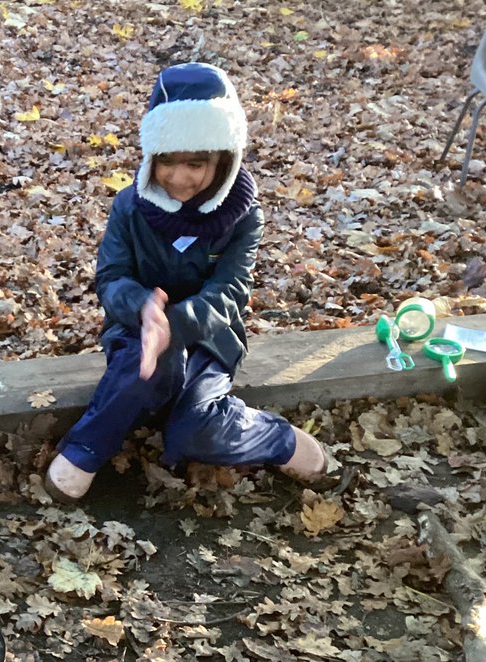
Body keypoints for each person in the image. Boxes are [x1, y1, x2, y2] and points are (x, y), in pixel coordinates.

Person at [45, 61, 327, 502]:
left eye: (196, 163)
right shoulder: (130, 207)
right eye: (166, 162)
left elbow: (230, 291)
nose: (179, 178)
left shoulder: (242, 216)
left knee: (196, 431)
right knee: (141, 373)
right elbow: (111, 277)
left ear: (224, 159)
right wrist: (143, 307)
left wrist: (176, 324)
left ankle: (278, 439)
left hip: (208, 339)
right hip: (137, 327)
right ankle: (85, 447)